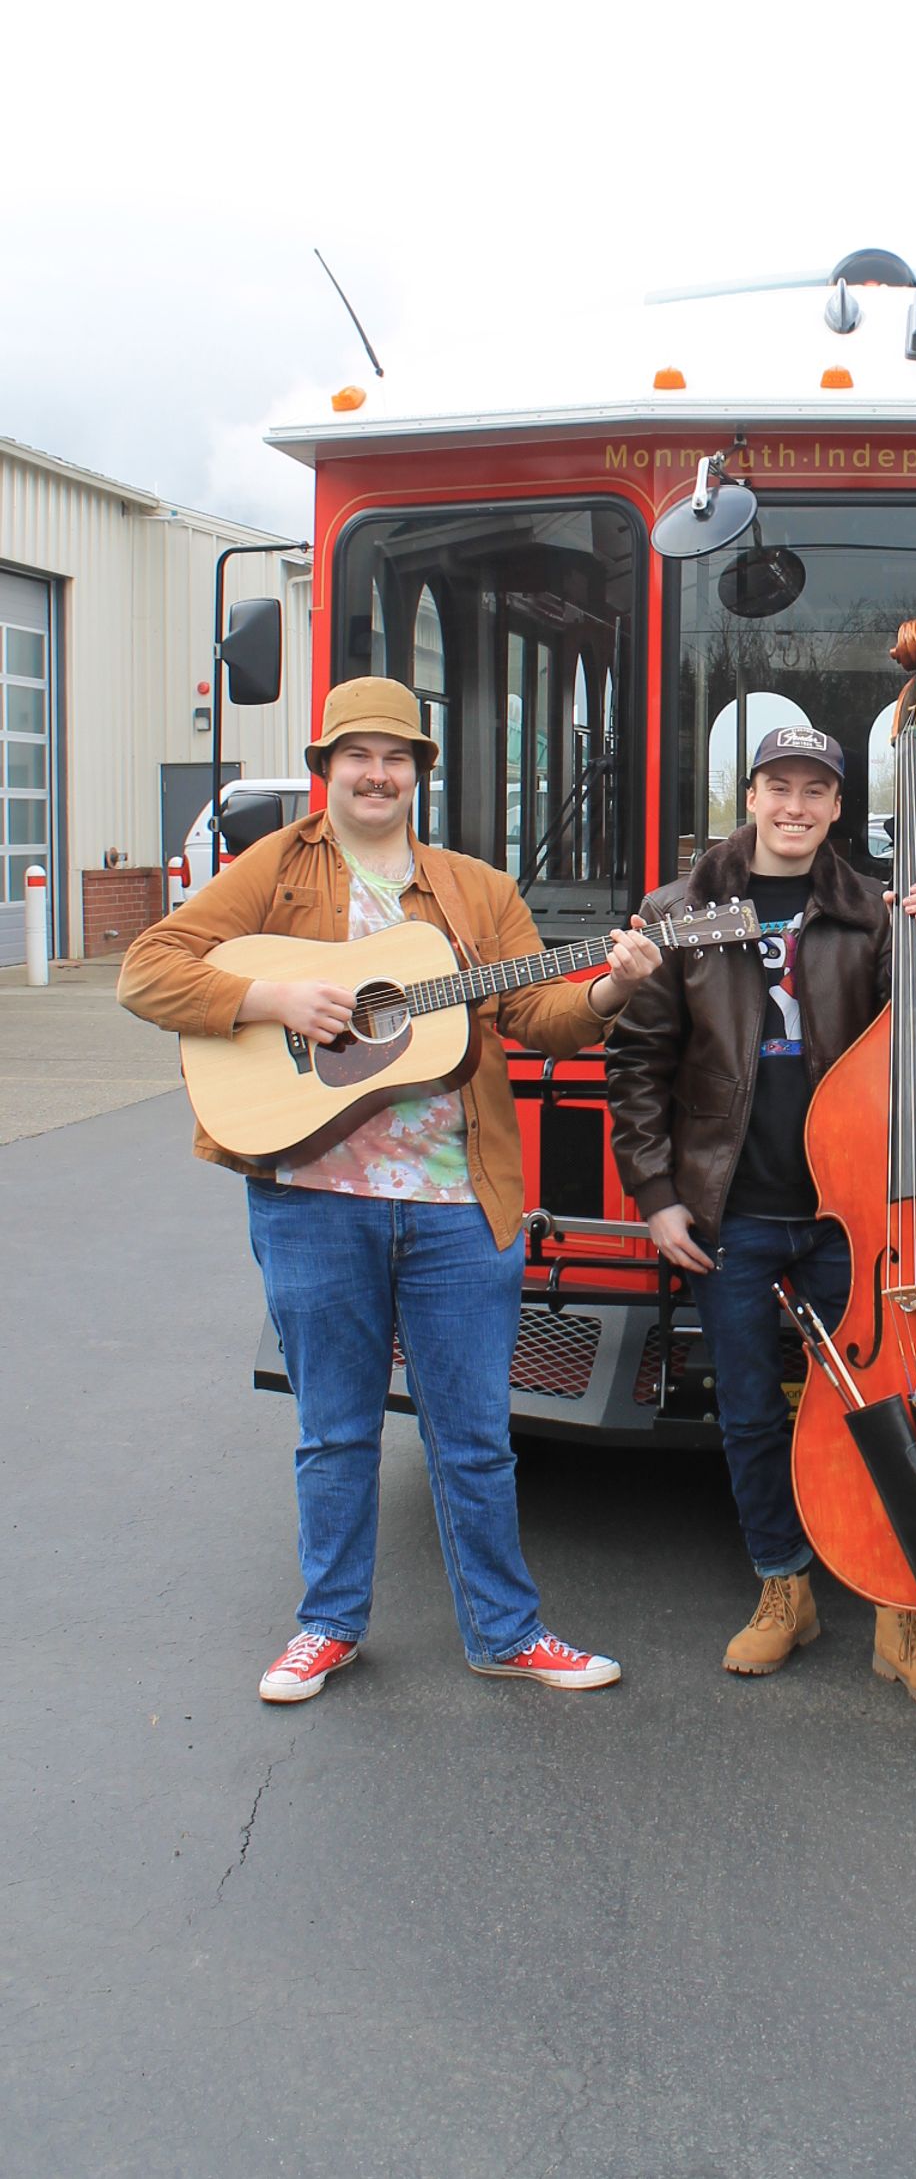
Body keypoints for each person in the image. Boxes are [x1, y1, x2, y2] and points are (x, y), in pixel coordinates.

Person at [118, 678, 660, 1703]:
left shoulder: (475, 891)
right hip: (314, 1197)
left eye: (397, 756)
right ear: (326, 768)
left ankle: (508, 1631)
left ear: (419, 774)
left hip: (461, 1207)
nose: (378, 773)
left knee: (475, 1440)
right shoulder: (275, 870)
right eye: (358, 755)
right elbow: (148, 970)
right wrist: (274, 995)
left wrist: (617, 983)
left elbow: (540, 1018)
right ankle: (326, 1627)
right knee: (335, 1431)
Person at [603, 726, 916, 1703]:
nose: (796, 806)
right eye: (779, 787)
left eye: (816, 790)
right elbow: (637, 1068)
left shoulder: (876, 913)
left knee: (883, 1408)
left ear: (840, 808)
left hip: (851, 1213)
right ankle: (784, 1587)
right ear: (751, 796)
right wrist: (657, 1196)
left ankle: (902, 1610)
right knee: (751, 1413)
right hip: (735, 1209)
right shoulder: (677, 913)